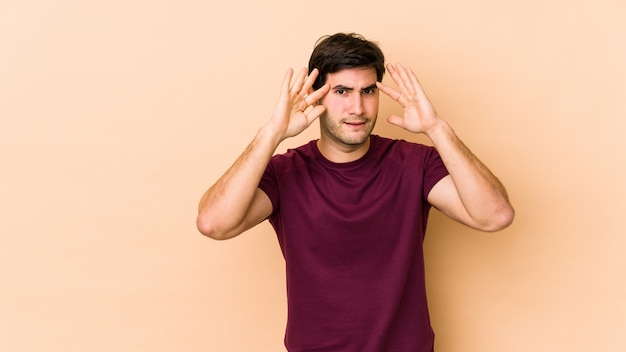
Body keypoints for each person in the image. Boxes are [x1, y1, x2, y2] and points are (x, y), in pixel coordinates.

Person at [196, 32, 514, 352]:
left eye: (368, 91)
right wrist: (271, 133)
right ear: (317, 95)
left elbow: (495, 216)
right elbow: (214, 224)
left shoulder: (414, 163)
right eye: (342, 91)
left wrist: (437, 129)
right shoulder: (286, 173)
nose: (357, 107)